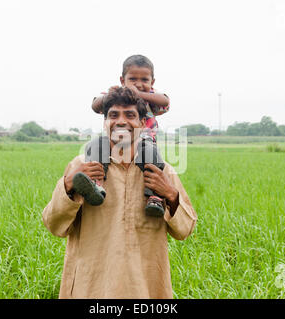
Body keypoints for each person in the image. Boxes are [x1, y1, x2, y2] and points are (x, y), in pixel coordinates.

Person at [42, 87, 197, 299]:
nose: (121, 121)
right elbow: (53, 225)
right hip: (92, 287)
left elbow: (185, 230)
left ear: (143, 124)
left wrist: (170, 194)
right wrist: (69, 184)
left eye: (130, 115)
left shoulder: (161, 171)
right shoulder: (83, 166)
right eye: (113, 115)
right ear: (105, 122)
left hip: (144, 288)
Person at [73, 55, 170, 217]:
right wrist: (111, 95)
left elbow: (165, 101)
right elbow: (95, 104)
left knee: (153, 160)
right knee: (96, 146)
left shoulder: (152, 99)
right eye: (133, 79)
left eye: (145, 80)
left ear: (152, 82)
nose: (139, 84)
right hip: (114, 141)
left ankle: (154, 197)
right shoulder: (116, 95)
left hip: (145, 142)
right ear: (122, 80)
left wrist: (139, 94)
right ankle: (96, 184)